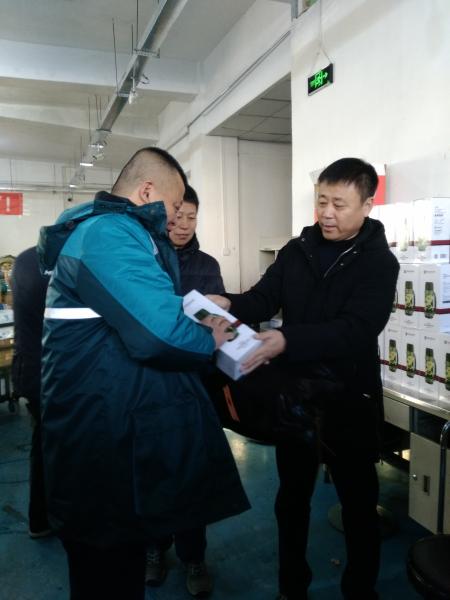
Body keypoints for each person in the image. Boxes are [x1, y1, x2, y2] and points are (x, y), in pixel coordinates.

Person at [38, 147, 250, 600]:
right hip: (98, 442)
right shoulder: (109, 234)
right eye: (173, 206)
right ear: (147, 191)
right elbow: (159, 335)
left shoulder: (107, 233)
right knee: (107, 575)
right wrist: (210, 337)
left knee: (119, 564)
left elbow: (134, 311)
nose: (174, 219)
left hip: (107, 427)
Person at [208, 158, 399, 600]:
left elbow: (357, 328)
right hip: (294, 399)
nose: (327, 213)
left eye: (339, 204)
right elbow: (263, 298)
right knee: (291, 500)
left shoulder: (379, 263)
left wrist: (286, 340)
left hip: (350, 400)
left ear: (367, 205)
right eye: (321, 201)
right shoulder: (297, 250)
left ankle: (360, 591)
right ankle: (292, 588)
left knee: (358, 506)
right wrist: (230, 304)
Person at [145, 184, 225, 597]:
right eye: (178, 217)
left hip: (196, 384)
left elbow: (217, 326)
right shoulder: (147, 260)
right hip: (153, 385)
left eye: (191, 218)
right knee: (155, 472)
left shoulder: (208, 266)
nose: (183, 225)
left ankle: (194, 557)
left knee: (193, 475)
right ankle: (155, 549)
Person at [10, 246, 51, 538]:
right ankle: (48, 518)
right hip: (47, 374)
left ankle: (41, 519)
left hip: (29, 369)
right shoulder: (59, 265)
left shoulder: (25, 259)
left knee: (43, 442)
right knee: (52, 445)